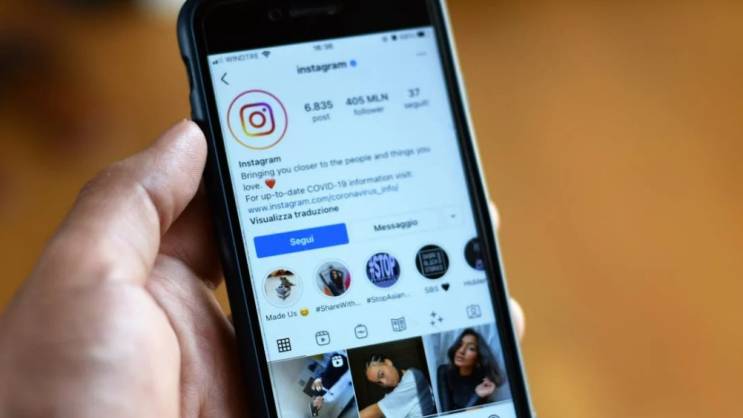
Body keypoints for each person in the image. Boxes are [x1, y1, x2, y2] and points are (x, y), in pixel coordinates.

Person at [0, 121, 525, 417]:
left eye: (467, 349)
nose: (463, 351)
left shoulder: (431, 383)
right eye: (376, 373)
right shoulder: (398, 377)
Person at [437, 328, 506, 412]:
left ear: (478, 357)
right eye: (460, 344)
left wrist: (477, 395)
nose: (461, 351)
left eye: (471, 348)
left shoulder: (483, 381)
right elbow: (447, 414)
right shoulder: (444, 371)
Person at [360, 355, 437, 418]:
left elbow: (375, 411)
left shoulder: (412, 376)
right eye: (379, 382)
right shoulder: (390, 395)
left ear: (388, 362)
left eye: (382, 374)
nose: (384, 382)